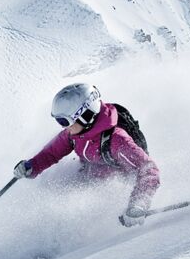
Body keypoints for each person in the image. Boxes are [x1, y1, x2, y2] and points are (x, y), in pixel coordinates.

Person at [13, 83, 160, 227]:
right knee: (54, 201)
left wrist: (138, 204)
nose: (63, 126)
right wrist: (31, 166)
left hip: (112, 190)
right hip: (87, 177)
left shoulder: (117, 140)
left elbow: (149, 170)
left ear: (85, 115)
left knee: (72, 213)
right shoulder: (75, 133)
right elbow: (51, 153)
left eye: (64, 120)